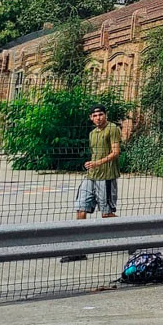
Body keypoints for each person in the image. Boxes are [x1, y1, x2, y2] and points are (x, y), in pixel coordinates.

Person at [61, 106, 122, 263]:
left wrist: (97, 163)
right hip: (91, 176)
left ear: (105, 115)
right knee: (81, 209)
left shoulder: (112, 128)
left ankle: (131, 238)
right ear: (91, 118)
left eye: (101, 114)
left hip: (106, 176)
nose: (98, 118)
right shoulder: (92, 133)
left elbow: (115, 152)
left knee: (106, 214)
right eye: (95, 115)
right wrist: (91, 165)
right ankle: (80, 249)